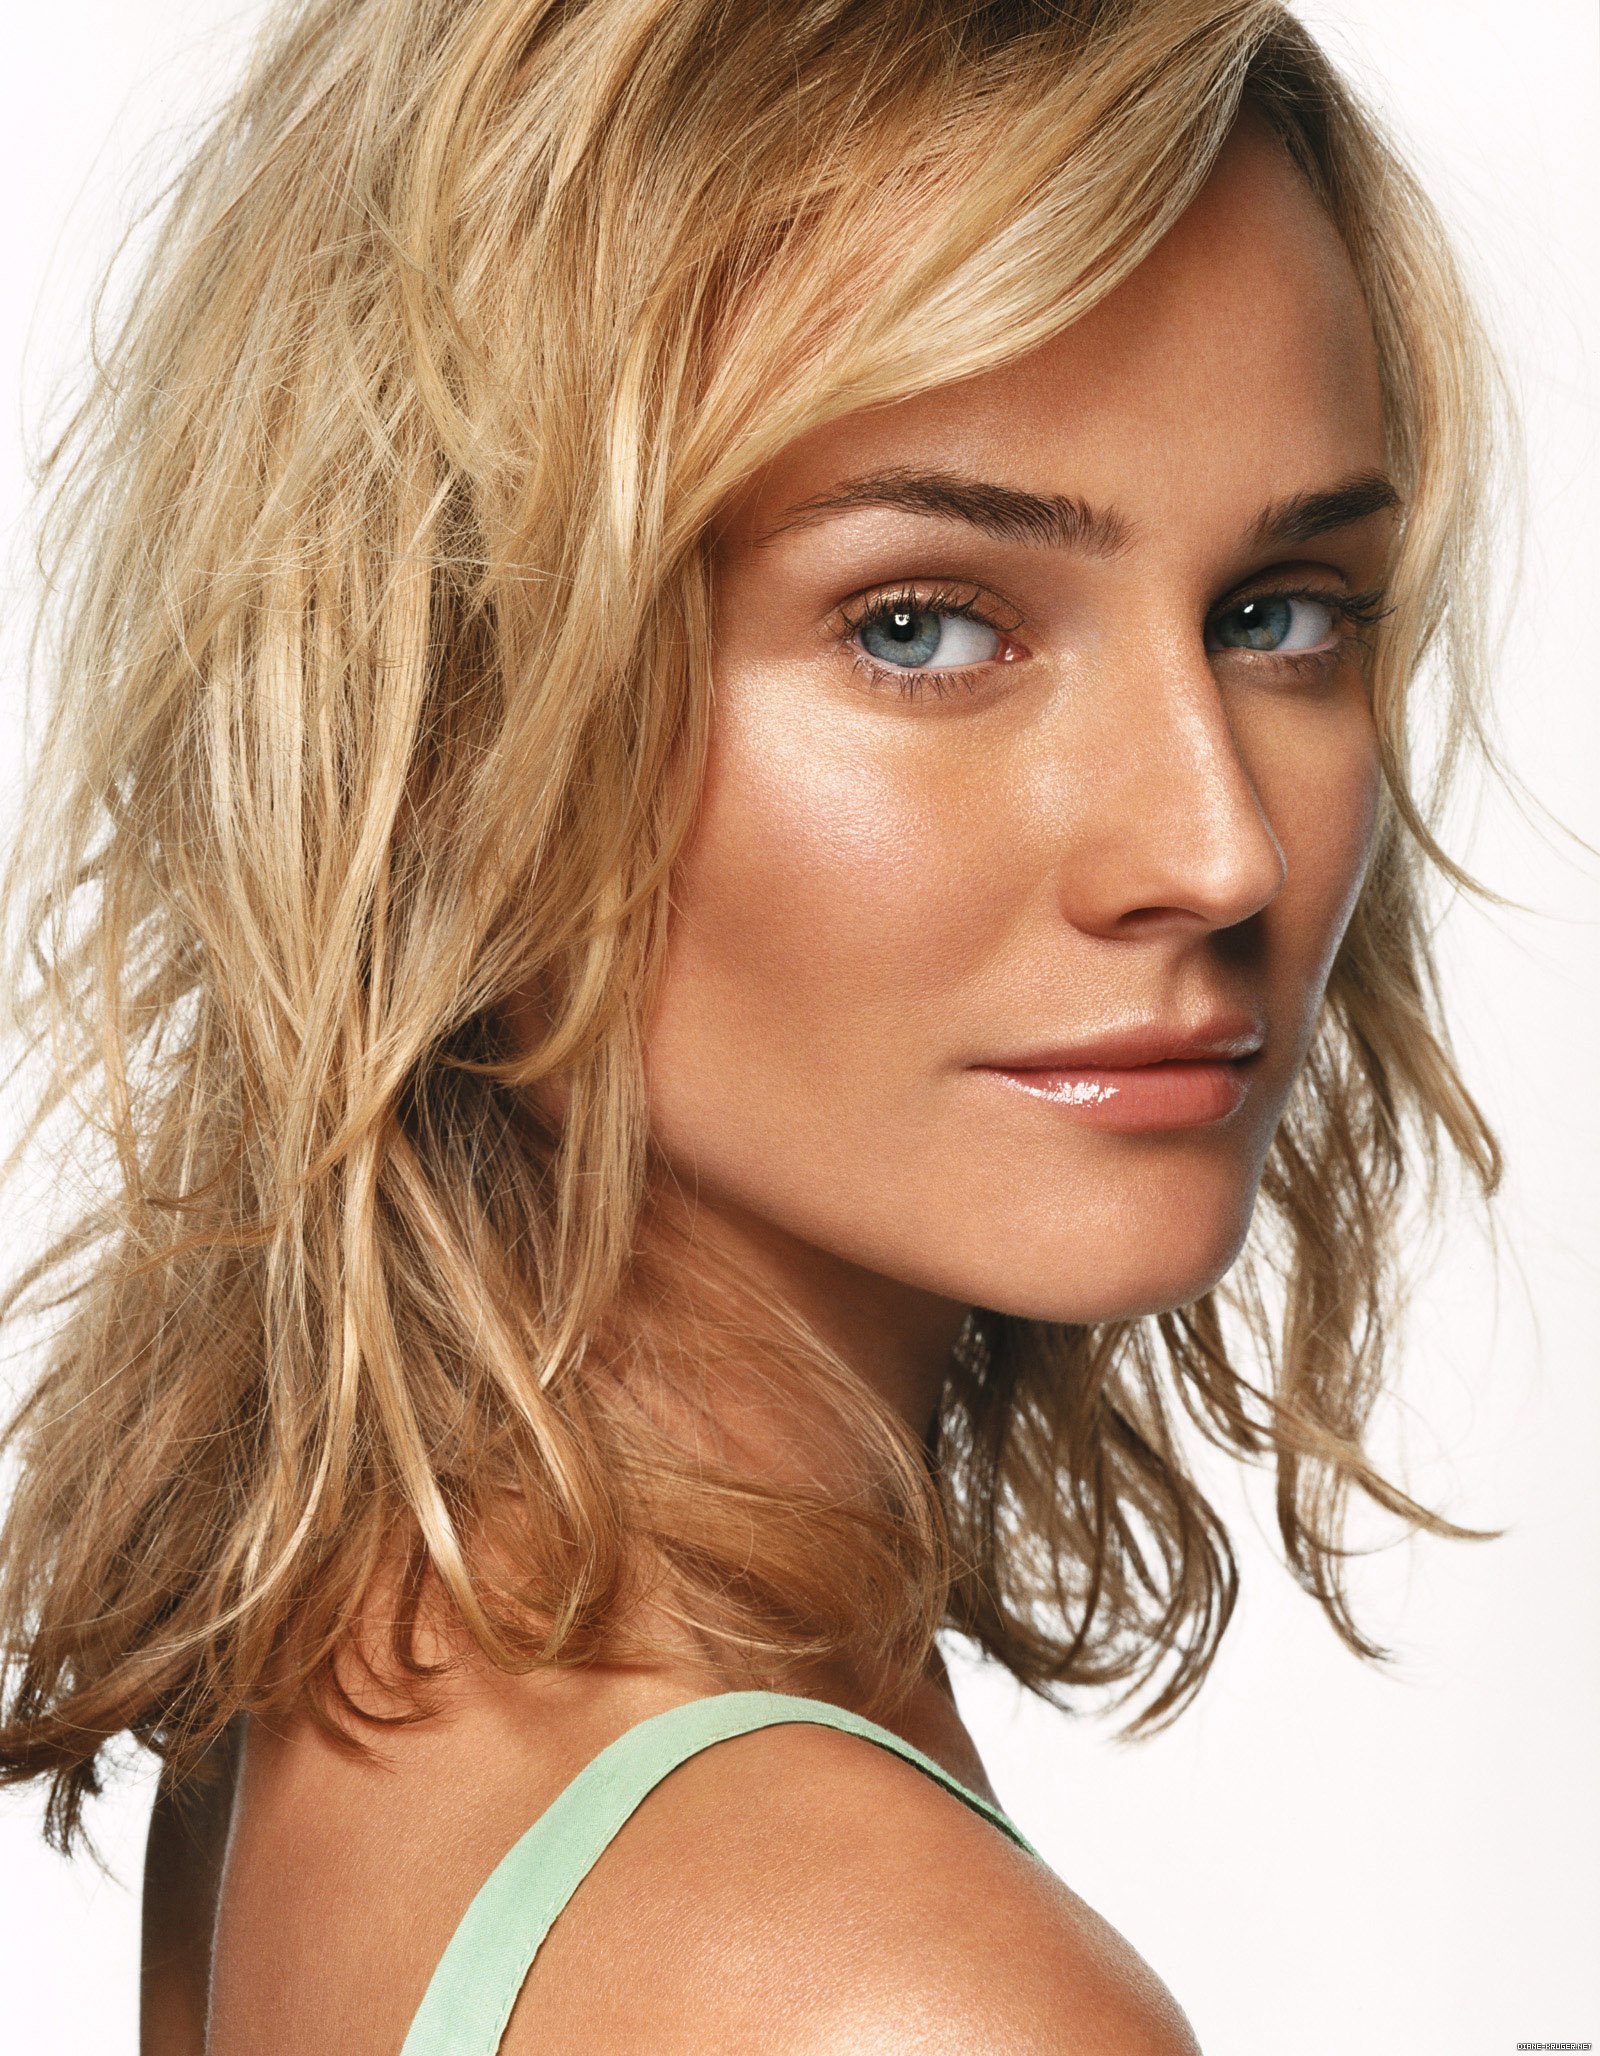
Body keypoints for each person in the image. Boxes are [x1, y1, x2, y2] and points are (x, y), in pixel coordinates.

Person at [0, 1, 1514, 2049]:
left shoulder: (357, 1667)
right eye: (920, 625)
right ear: (445, 707)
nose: (1216, 846)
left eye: (1281, 612)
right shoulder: (907, 2000)